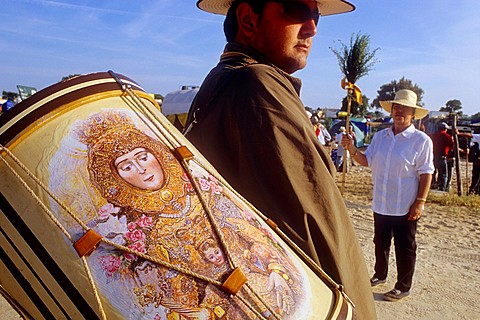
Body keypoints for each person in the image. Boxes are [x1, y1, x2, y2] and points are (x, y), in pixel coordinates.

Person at [184, 1, 376, 318]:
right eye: (296, 8)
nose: (312, 27)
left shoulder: (226, 78)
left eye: (314, 15)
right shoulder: (258, 87)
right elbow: (314, 226)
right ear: (248, 18)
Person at [342, 89, 434, 301]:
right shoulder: (381, 137)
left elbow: (426, 173)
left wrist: (420, 202)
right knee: (380, 243)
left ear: (413, 114)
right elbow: (367, 161)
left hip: (405, 204)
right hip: (381, 202)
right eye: (396, 107)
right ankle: (380, 274)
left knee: (405, 247)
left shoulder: (421, 141)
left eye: (404, 108)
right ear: (392, 111)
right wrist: (352, 150)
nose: (399, 111)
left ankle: (403, 286)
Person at [430, 122, 453, 191]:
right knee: (443, 173)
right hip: (441, 156)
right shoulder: (446, 136)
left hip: (432, 156)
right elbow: (451, 146)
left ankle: (433, 185)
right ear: (445, 129)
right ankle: (441, 188)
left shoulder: (433, 135)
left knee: (433, 172)